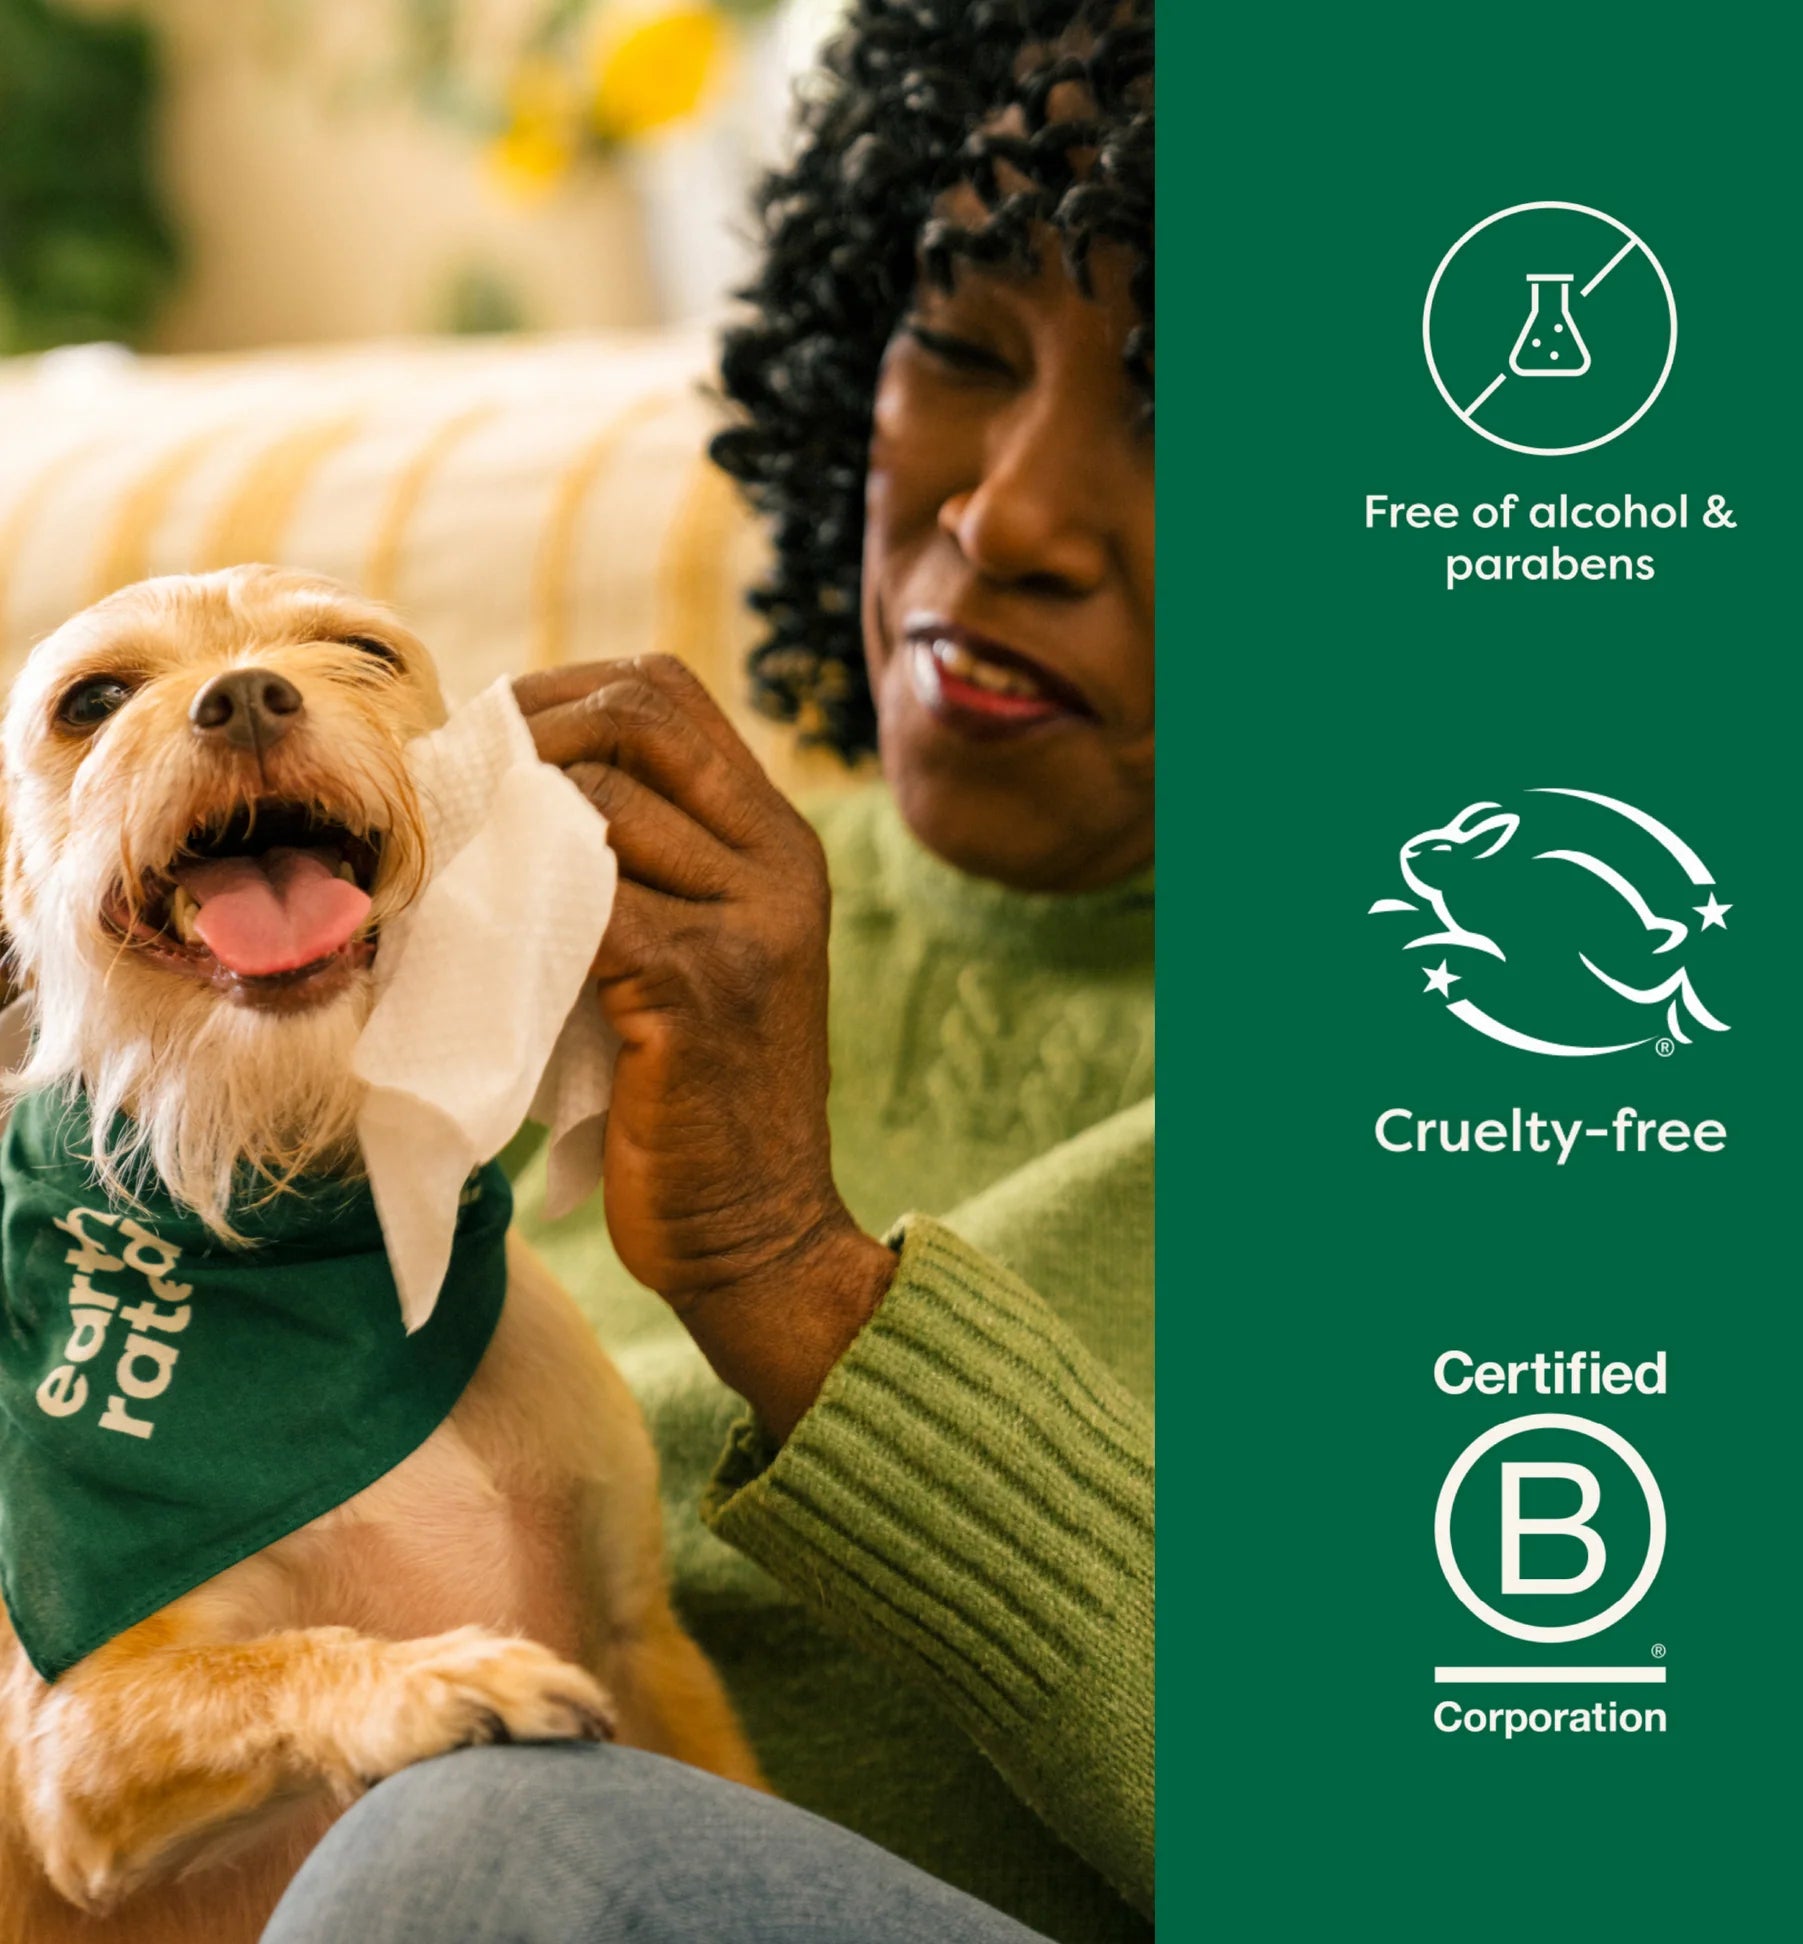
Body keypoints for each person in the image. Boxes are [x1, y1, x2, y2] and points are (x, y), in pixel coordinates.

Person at [265, 2, 1153, 1938]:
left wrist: (793, 1276)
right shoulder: (602, 900)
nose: (1005, 517)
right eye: (959, 350)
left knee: (484, 1844)